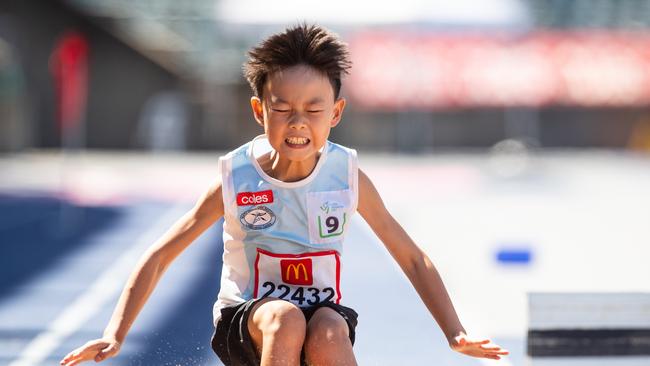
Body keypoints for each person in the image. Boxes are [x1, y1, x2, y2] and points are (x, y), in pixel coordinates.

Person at [60, 24, 509, 366]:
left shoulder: (346, 176)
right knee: (284, 318)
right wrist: (115, 334)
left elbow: (412, 258)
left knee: (331, 329)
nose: (298, 122)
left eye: (313, 110)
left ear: (335, 113)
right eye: (283, 109)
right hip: (245, 320)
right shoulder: (236, 177)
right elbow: (159, 255)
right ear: (259, 111)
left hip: (319, 313)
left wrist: (454, 334)